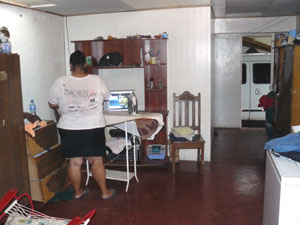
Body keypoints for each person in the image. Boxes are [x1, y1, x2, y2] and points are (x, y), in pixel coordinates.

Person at [48, 50, 115, 200]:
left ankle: (78, 192)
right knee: (96, 161)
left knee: (75, 162)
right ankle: (105, 192)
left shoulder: (60, 81)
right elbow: (107, 97)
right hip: (93, 126)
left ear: (70, 65)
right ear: (85, 64)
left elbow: (52, 103)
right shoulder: (97, 80)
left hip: (69, 128)